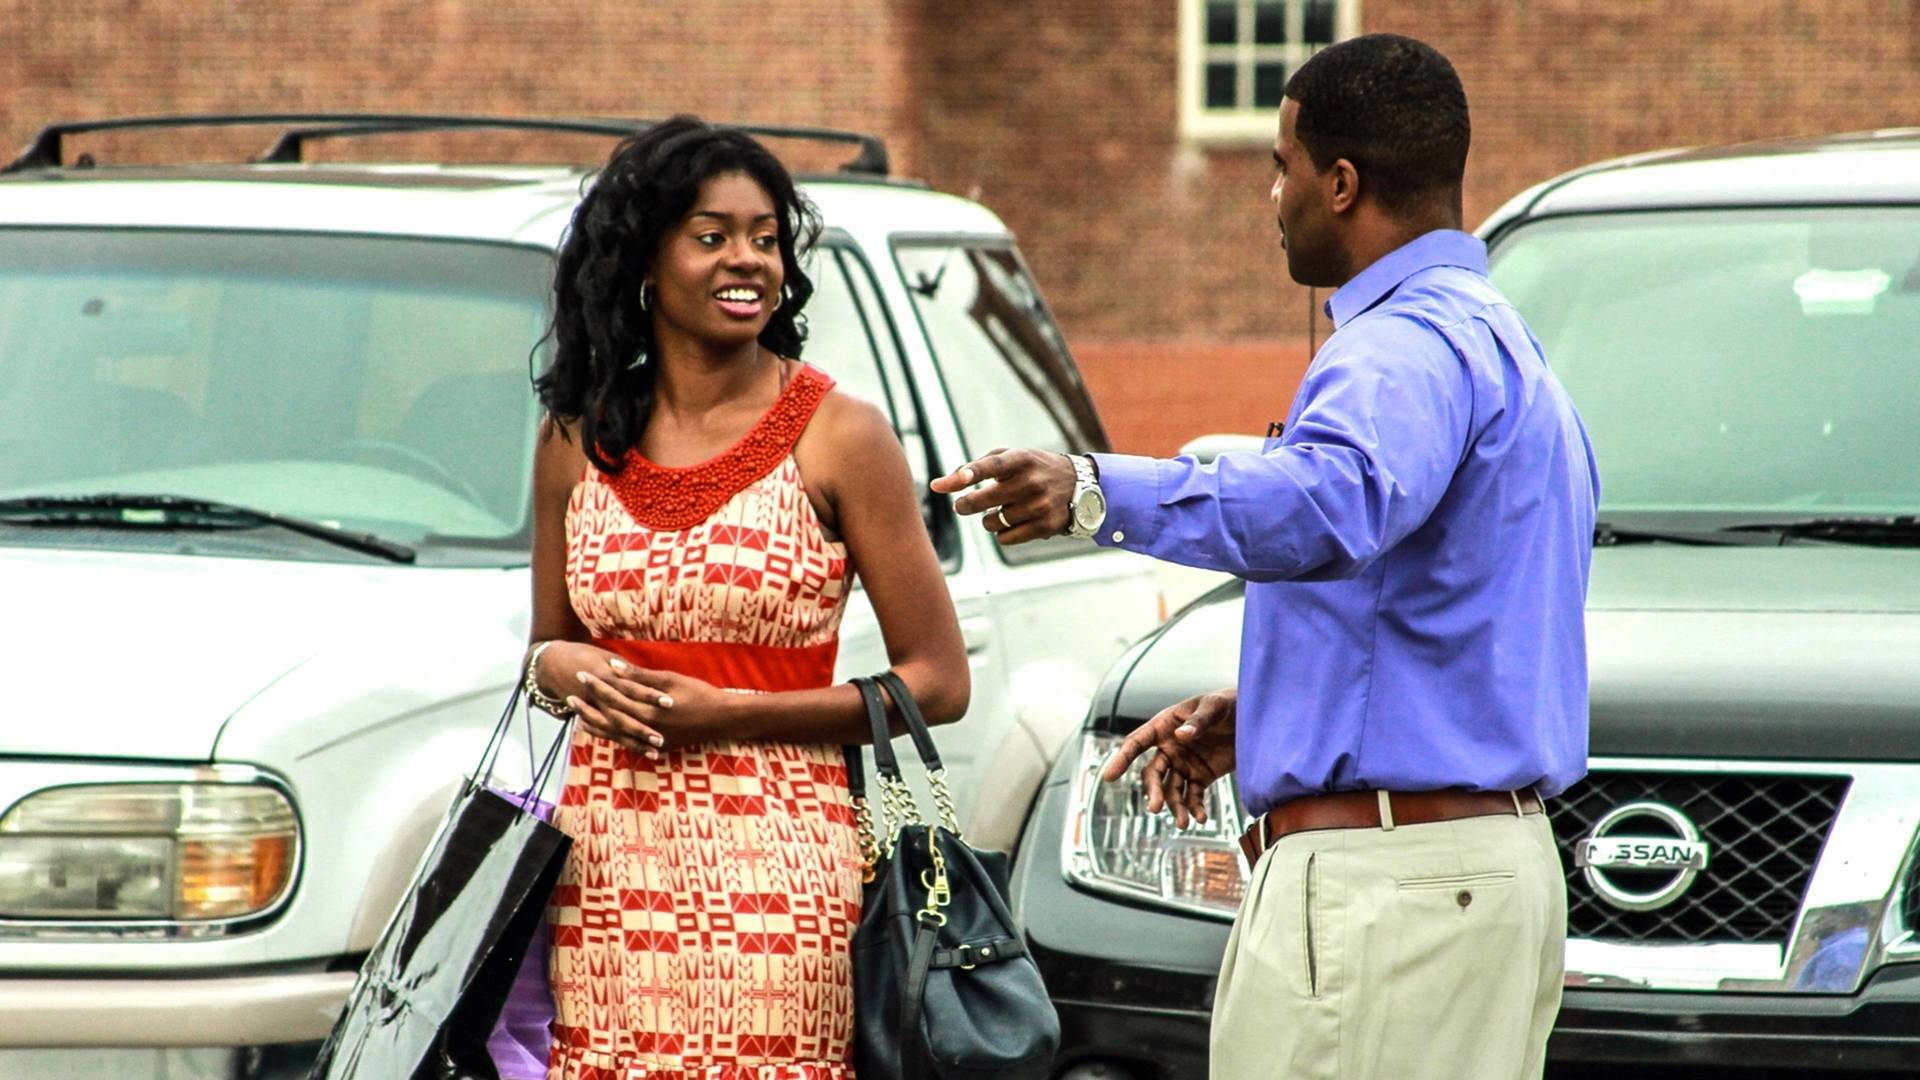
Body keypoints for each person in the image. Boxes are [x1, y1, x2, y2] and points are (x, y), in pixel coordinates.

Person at [931, 34, 1597, 1080]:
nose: (1270, 198)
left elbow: (1333, 504)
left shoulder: (1393, 348)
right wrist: (1286, 709)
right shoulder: (1500, 343)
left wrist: (1097, 488)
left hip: (1391, 890)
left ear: (1340, 184)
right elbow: (1457, 606)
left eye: (1281, 168)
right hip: (1469, 875)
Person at [524, 116, 970, 1079]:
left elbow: (938, 682)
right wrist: (556, 666)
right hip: (605, 864)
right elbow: (546, 655)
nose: (749, 261)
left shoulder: (842, 435)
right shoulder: (575, 438)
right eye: (713, 235)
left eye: (767, 238)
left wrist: (737, 714)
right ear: (646, 259)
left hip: (780, 860)